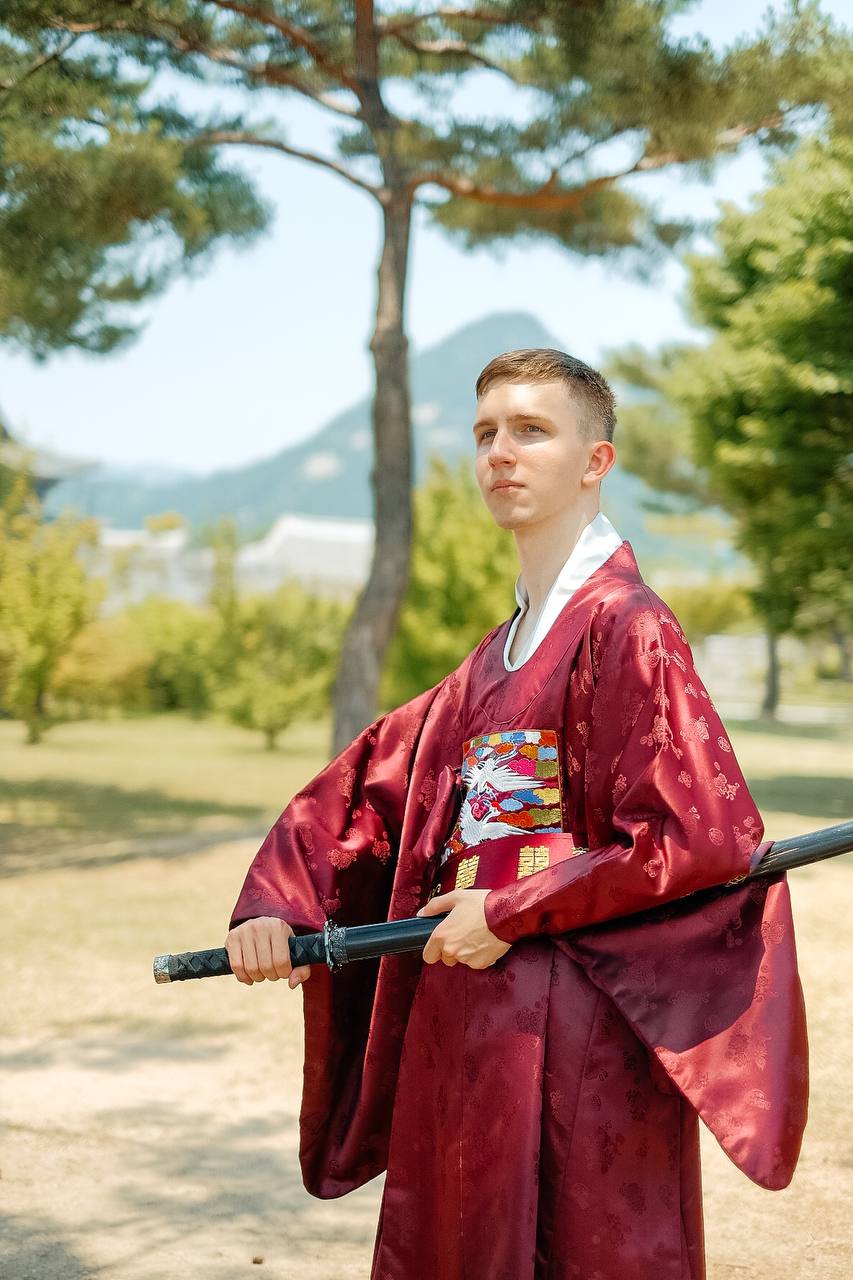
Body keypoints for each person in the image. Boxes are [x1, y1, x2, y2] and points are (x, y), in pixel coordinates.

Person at [225, 349, 808, 1280]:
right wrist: (278, 904)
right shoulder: (498, 652)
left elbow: (694, 836)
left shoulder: (627, 626)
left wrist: (508, 909)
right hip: (464, 1000)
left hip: (573, 1018)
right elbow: (378, 781)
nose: (500, 452)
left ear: (595, 461)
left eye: (531, 430)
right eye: (486, 433)